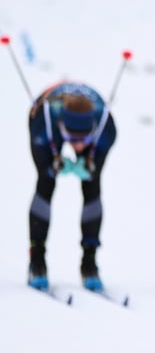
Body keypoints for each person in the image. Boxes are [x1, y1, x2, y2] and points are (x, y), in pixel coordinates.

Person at [27, 81, 117, 292]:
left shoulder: (106, 129)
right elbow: (45, 167)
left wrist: (90, 167)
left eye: (83, 139)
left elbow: (94, 171)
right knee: (46, 183)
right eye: (71, 138)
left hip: (89, 118)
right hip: (47, 105)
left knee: (92, 186)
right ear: (61, 128)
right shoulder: (43, 124)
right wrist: (51, 166)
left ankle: (89, 261)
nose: (77, 145)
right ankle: (37, 259)